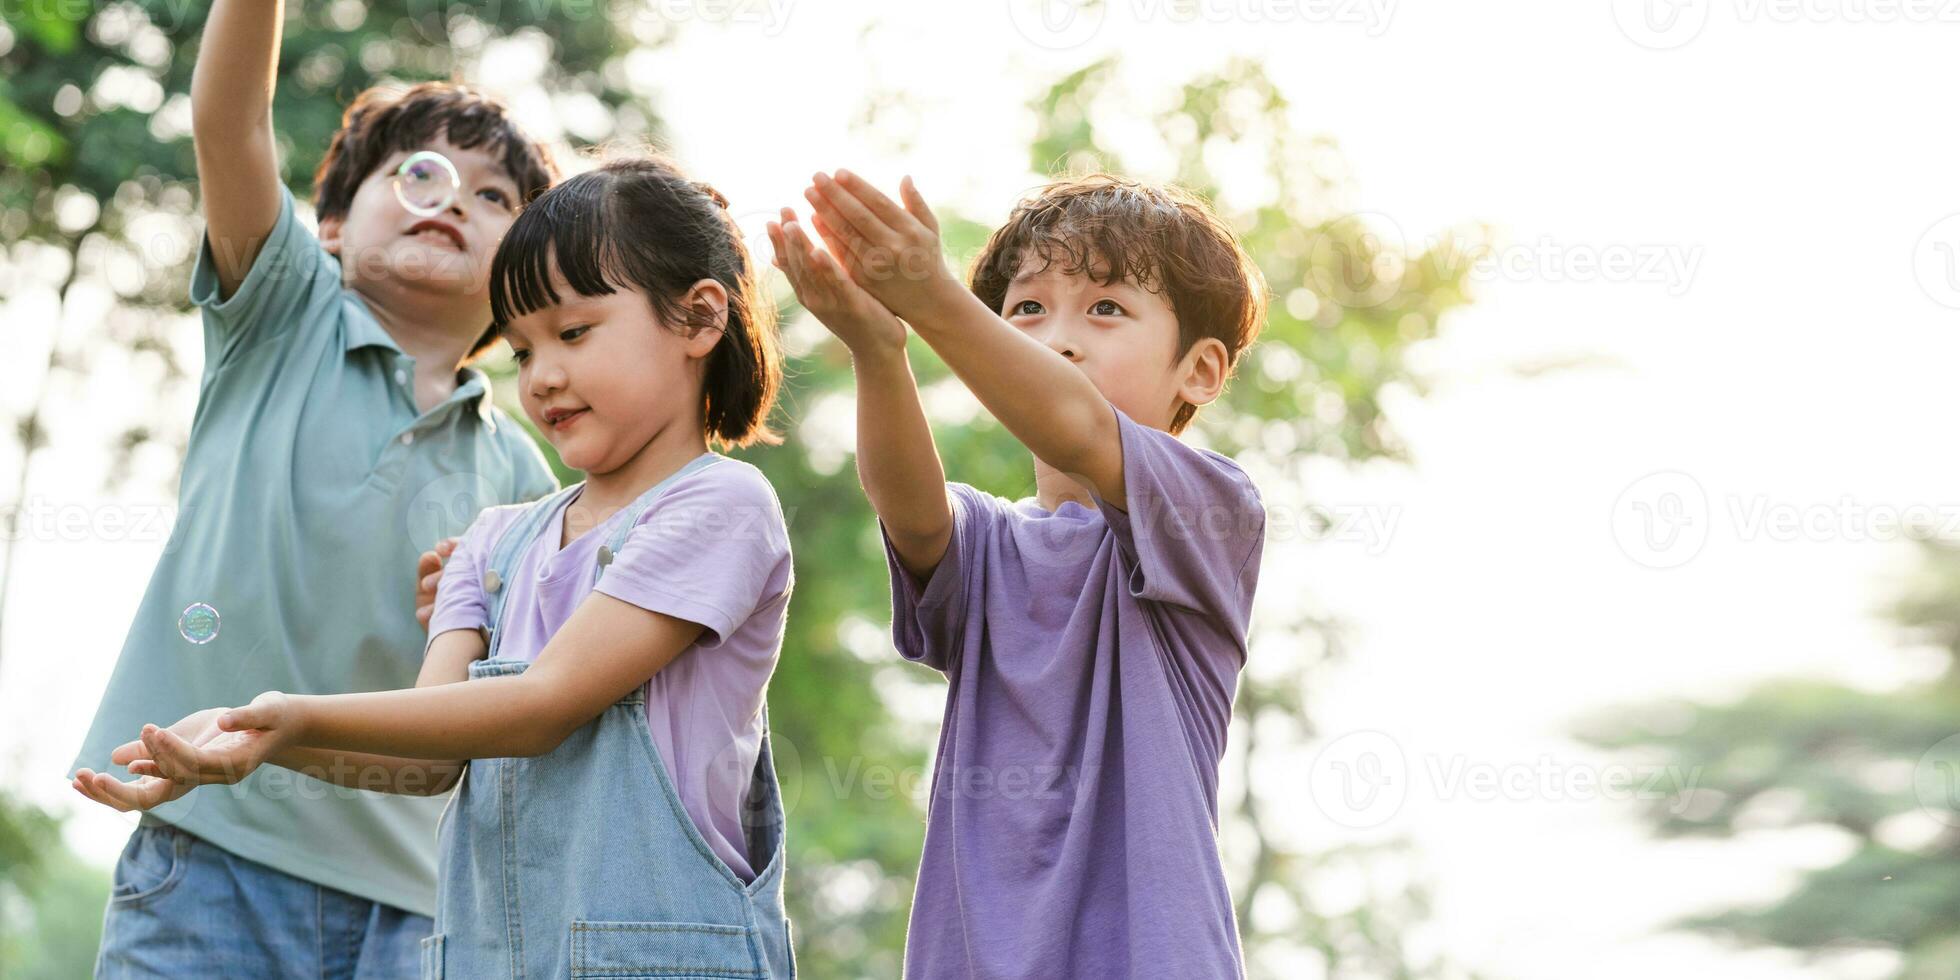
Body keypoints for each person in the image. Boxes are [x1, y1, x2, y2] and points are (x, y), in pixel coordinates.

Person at [78, 156, 797, 979]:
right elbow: (427, 755)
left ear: (700, 319)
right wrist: (257, 740)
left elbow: (539, 706)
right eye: (521, 351)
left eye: (573, 332)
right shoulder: (492, 542)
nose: (543, 378)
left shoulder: (722, 507)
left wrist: (299, 718)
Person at [64, 0, 561, 973]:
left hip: (417, 907)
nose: (451, 196)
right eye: (417, 171)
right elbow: (228, 119)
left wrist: (497, 600)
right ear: (330, 222)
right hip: (211, 852)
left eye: (495, 196)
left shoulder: (523, 475)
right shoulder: (282, 316)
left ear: (523, 282)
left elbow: (531, 687)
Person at [768, 169, 1268, 978]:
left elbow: (1076, 425)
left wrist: (930, 296)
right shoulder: (993, 541)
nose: (1058, 338)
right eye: (1027, 309)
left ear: (1200, 371)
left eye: (1106, 308)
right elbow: (913, 510)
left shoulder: (1209, 512)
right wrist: (877, 346)